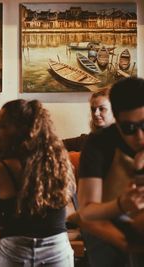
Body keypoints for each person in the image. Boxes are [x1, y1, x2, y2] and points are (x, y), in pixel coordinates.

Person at [0, 99, 75, 266]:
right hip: (57, 252)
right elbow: (69, 208)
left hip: (15, 252)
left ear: (22, 130)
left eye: (2, 126)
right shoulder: (60, 163)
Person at [77, 77, 144, 267]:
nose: (139, 137)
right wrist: (122, 204)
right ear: (116, 118)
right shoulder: (98, 143)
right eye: (129, 128)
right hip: (105, 219)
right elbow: (87, 212)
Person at [63, 87, 115, 151]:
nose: (96, 113)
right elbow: (54, 145)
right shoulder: (86, 140)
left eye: (102, 109)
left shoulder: (126, 142)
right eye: (93, 109)